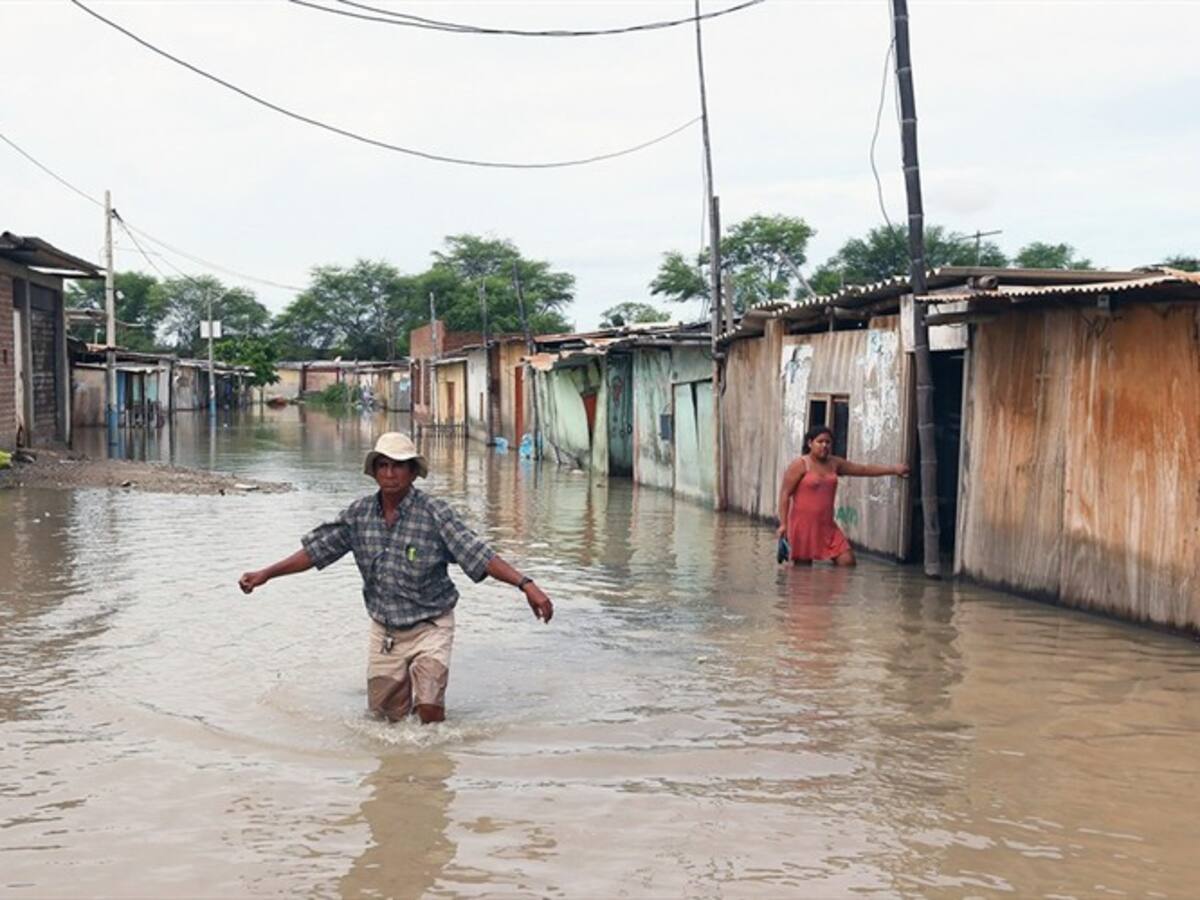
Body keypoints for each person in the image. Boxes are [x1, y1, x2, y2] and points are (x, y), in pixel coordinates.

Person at [238, 432, 553, 724]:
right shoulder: (358, 515)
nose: (390, 473)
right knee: (385, 720)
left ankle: (431, 773)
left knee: (429, 708)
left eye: (399, 466)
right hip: (385, 630)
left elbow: (479, 554)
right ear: (374, 471)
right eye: (383, 465)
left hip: (432, 624)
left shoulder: (434, 514)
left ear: (413, 472)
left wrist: (526, 584)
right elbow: (315, 552)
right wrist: (266, 573)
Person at [776, 425, 909, 567]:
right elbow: (785, 494)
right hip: (803, 525)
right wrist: (784, 524)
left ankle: (830, 588)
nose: (824, 445)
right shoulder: (800, 464)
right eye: (820, 442)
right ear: (810, 443)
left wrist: (894, 469)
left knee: (847, 562)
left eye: (828, 442)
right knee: (802, 571)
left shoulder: (835, 463)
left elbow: (863, 469)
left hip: (826, 525)